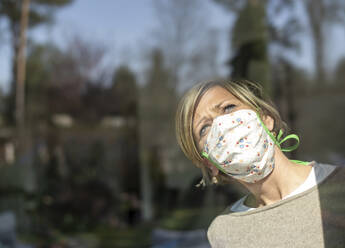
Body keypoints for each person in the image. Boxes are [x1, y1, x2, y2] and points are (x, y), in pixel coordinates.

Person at [175, 79, 345, 248]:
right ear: (210, 163)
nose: (222, 125)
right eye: (204, 128)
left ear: (266, 118)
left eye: (228, 108)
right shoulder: (224, 231)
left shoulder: (340, 186)